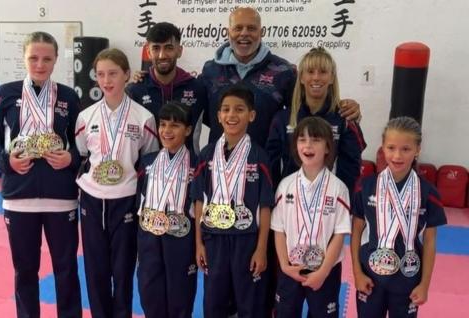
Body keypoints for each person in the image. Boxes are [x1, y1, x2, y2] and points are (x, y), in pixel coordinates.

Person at [0, 31, 82, 318]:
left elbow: (84, 144)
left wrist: (71, 158)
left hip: (61, 197)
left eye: (46, 58)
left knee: (66, 269)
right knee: (25, 270)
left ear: (55, 61)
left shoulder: (68, 96)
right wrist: (6, 162)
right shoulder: (6, 92)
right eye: (33, 58)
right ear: (24, 58)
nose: (39, 64)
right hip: (19, 196)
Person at [199, 7, 361, 147]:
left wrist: (344, 107)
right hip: (218, 164)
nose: (244, 33)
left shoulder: (283, 71)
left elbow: (309, 108)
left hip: (266, 166)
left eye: (251, 28)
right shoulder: (210, 70)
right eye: (238, 28)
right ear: (228, 32)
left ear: (261, 32)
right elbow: (202, 115)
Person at [75, 48, 158, 318]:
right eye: (100, 74)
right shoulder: (85, 117)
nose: (107, 80)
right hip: (91, 198)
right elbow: (83, 154)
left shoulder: (143, 118)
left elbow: (149, 160)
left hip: (126, 200)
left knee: (122, 270)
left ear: (126, 75)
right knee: (95, 269)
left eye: (113, 73)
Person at [351, 116, 447, 317]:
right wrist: (357, 274)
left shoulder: (428, 192)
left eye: (406, 149)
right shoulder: (365, 186)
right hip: (370, 277)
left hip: (408, 277)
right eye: (391, 147)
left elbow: (430, 241)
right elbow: (357, 231)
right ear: (382, 148)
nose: (397, 155)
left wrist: (424, 285)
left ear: (417, 150)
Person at [191, 84, 274, 318]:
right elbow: (199, 202)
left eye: (239, 109)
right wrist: (199, 244)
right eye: (226, 110)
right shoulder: (207, 155)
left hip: (247, 241)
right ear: (218, 116)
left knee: (250, 304)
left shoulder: (259, 156)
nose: (231, 115)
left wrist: (261, 249)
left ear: (252, 115)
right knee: (214, 303)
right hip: (214, 239)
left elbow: (265, 206)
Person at [271, 117, 351, 317]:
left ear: (327, 147)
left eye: (315, 139)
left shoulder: (338, 188)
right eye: (302, 139)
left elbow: (339, 235)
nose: (307, 145)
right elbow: (278, 230)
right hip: (290, 268)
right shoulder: (285, 185)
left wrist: (323, 272)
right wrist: (284, 265)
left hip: (326, 271)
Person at [266, 47, 365, 193]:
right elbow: (271, 166)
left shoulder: (344, 118)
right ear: (301, 78)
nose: (316, 77)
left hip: (330, 204)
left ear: (331, 78)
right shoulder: (283, 118)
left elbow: (352, 169)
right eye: (310, 72)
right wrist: (274, 202)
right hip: (289, 202)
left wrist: (345, 204)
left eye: (323, 72)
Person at [136, 101, 197, 318]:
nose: (167, 131)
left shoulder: (197, 165)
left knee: (180, 293)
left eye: (175, 125)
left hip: (181, 238)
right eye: (163, 124)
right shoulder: (147, 162)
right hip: (149, 236)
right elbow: (138, 198)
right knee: (149, 291)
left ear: (188, 130)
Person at [127, 22, 205, 153]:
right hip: (147, 169)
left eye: (169, 48)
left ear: (179, 51)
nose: (162, 55)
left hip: (189, 169)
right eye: (156, 48)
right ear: (148, 51)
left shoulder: (197, 88)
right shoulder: (135, 90)